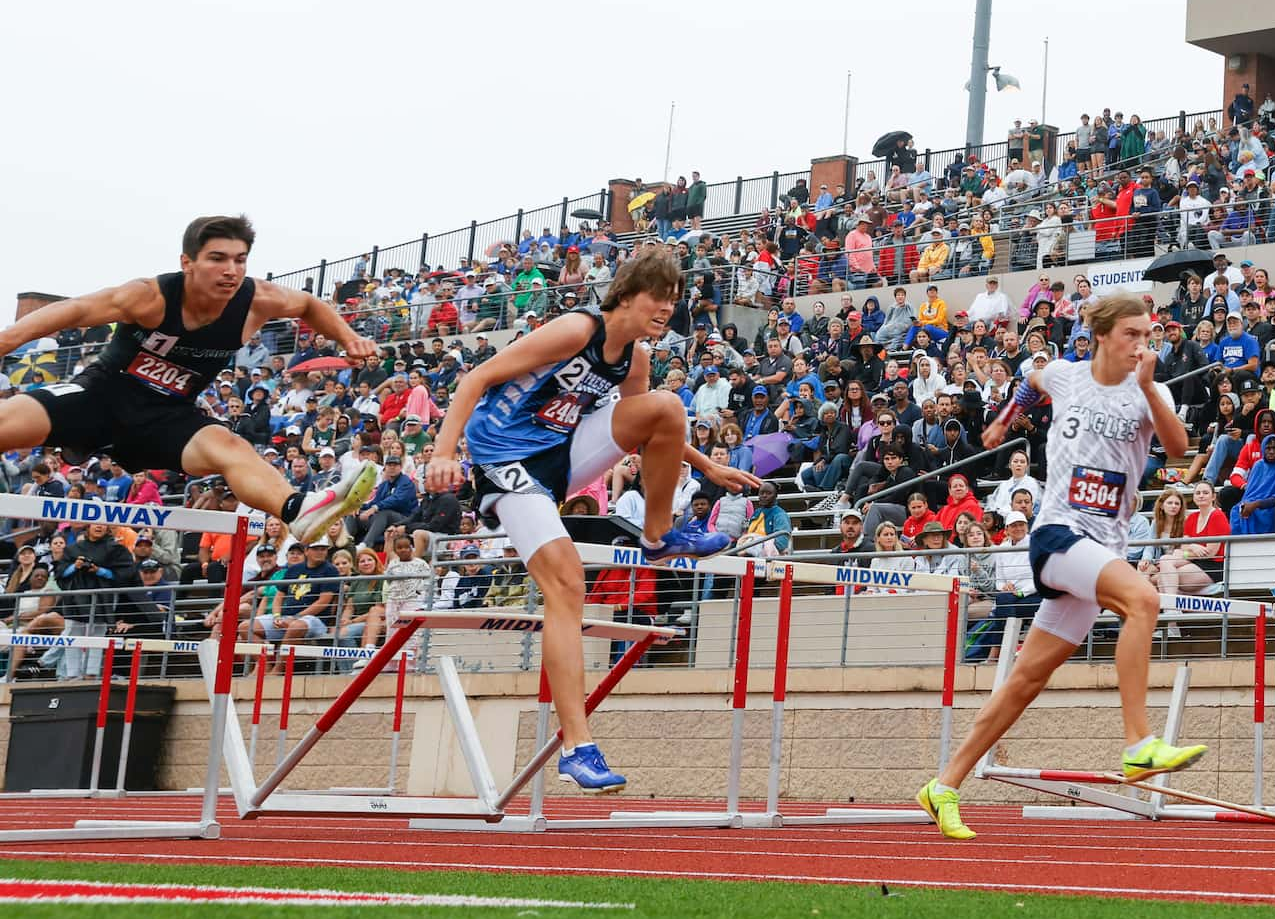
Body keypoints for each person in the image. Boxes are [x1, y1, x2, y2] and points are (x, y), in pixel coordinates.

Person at [426, 245, 761, 792]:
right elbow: (474, 380)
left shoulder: (636, 358)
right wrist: (443, 452)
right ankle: (578, 747)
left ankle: (656, 536)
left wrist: (707, 467)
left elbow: (650, 428)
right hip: (503, 457)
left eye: (674, 304)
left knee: (668, 406)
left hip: (560, 453)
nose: (666, 312)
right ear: (626, 294)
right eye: (659, 299)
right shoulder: (576, 329)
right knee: (567, 584)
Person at [916, 293, 1201, 839]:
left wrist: (1145, 387)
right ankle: (1139, 743)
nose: (1143, 345)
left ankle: (944, 784)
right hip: (1055, 535)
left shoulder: (1151, 392)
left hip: (1102, 549)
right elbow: (1032, 378)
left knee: (1026, 678)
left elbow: (1180, 448)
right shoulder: (1068, 375)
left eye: (1149, 335)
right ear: (1101, 336)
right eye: (1132, 335)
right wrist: (1002, 420)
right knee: (1143, 599)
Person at [0, 215, 383, 542]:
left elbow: (309, 304)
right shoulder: (149, 297)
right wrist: (6, 341)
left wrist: (348, 337)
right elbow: (74, 310)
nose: (231, 271)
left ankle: (298, 510)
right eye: (217, 259)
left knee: (229, 445)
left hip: (167, 417)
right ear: (187, 262)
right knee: (9, 420)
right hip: (100, 397)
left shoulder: (255, 302)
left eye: (240, 260)